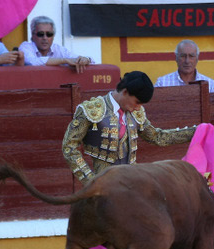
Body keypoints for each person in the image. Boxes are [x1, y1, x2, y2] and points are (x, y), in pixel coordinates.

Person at [62, 71, 196, 184]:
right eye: (137, 102)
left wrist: (195, 132)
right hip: (103, 183)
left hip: (132, 182)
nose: (138, 107)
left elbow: (158, 137)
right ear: (125, 92)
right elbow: (69, 147)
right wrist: (90, 181)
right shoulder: (92, 110)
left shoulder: (135, 112)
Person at [19, 16, 92, 73]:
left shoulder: (58, 49)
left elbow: (80, 59)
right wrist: (64, 60)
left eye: (49, 34)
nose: (45, 38)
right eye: (40, 34)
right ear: (33, 35)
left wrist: (86, 60)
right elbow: (33, 62)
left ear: (53, 36)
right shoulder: (25, 47)